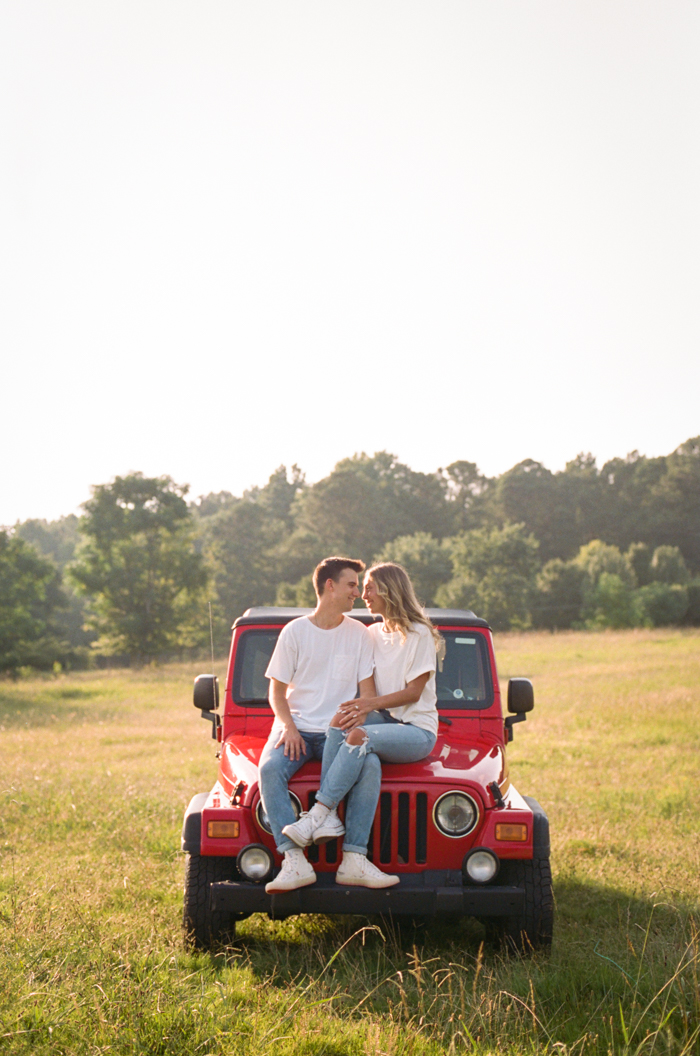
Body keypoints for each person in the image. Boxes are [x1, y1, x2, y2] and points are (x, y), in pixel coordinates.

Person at [282, 562, 441, 888]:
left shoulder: (419, 634)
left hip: (416, 730)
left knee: (360, 734)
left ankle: (320, 813)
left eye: (369, 588)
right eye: (361, 588)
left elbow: (414, 692)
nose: (362, 594)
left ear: (389, 590)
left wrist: (367, 705)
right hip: (383, 721)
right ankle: (353, 858)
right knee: (340, 725)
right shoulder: (370, 633)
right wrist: (357, 707)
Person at [260, 555, 379, 893]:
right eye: (351, 585)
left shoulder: (360, 634)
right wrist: (289, 727)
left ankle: (354, 857)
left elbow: (367, 695)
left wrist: (352, 722)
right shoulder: (294, 632)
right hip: (296, 729)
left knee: (369, 763)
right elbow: (277, 692)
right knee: (268, 770)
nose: (357, 592)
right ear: (330, 586)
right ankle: (293, 860)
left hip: (336, 735)